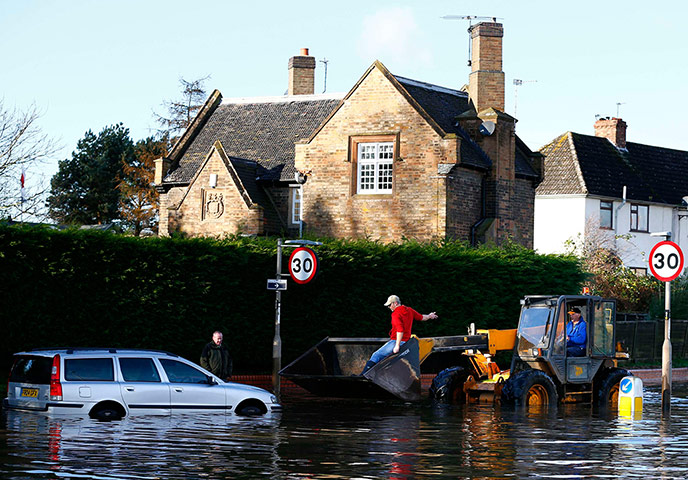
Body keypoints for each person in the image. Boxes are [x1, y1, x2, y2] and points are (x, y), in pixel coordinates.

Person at [361, 295, 438, 374]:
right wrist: (430, 316)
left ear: (395, 303)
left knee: (376, 355)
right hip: (406, 342)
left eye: (389, 305)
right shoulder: (409, 310)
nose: (389, 307)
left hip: (396, 341)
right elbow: (422, 317)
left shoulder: (396, 314)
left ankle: (363, 375)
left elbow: (400, 330)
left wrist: (397, 346)